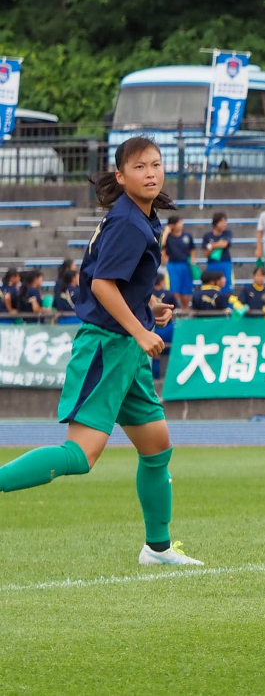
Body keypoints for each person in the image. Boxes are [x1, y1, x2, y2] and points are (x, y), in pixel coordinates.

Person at [0, 137, 202, 565]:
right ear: (121, 175)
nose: (151, 173)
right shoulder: (129, 222)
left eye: (156, 165)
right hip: (108, 348)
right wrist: (140, 331)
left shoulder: (140, 217)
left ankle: (158, 548)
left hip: (126, 349)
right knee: (81, 455)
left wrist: (150, 306)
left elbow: (116, 279)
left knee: (156, 448)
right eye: (140, 167)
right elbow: (101, 286)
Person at [160, 214, 195, 309]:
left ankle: (185, 311)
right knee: (174, 291)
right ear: (173, 225)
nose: (181, 224)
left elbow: (192, 249)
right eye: (179, 222)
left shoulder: (187, 236)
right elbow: (161, 244)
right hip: (172, 265)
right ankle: (174, 311)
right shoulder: (168, 237)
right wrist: (166, 231)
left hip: (185, 265)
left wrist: (193, 260)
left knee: (186, 292)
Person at [201, 212, 234, 289]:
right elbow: (206, 253)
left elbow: (224, 244)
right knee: (210, 287)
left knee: (227, 288)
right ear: (216, 223)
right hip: (212, 264)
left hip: (225, 263)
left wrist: (211, 246)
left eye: (225, 222)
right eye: (221, 222)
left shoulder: (227, 233)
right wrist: (218, 244)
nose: (224, 224)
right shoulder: (207, 235)